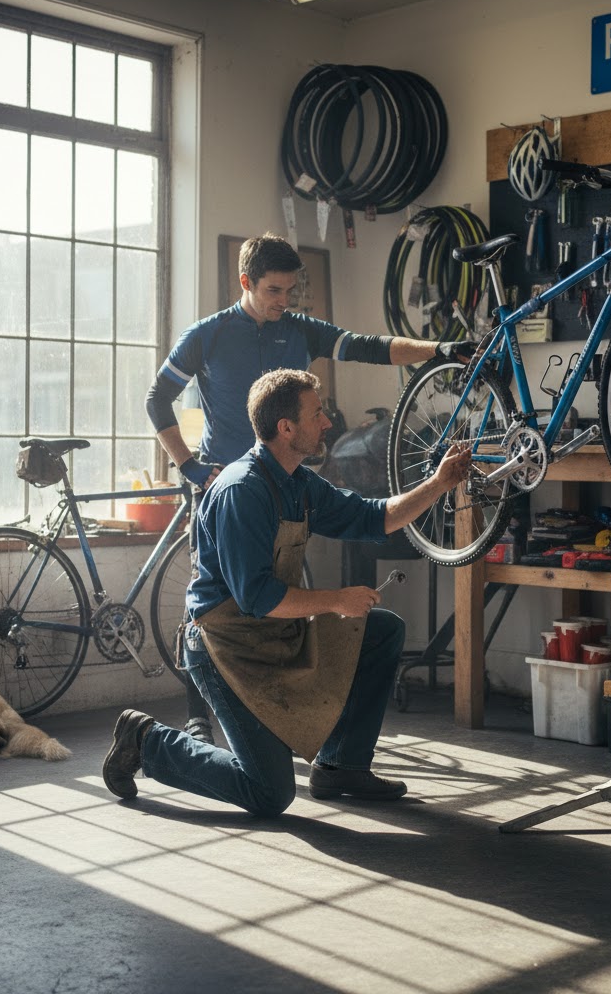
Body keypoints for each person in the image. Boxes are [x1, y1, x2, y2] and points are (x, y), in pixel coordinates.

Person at [145, 233, 475, 742]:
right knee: (213, 599)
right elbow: (157, 399)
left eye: (289, 291)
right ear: (245, 283)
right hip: (225, 487)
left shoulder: (299, 329)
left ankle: (280, 708)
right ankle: (197, 713)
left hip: (285, 482)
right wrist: (190, 468)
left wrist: (440, 350)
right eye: (273, 291)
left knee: (282, 593)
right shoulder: (206, 335)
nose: (283, 302)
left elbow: (370, 347)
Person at [104, 369, 472, 814]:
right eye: (317, 414)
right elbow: (256, 597)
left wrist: (439, 483)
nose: (328, 423)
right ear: (286, 428)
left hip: (275, 631)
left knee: (380, 630)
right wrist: (337, 599)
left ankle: (341, 768)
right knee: (270, 793)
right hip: (223, 648)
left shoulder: (298, 481)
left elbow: (374, 518)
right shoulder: (243, 491)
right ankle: (147, 742)